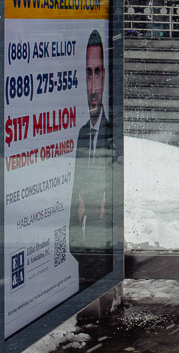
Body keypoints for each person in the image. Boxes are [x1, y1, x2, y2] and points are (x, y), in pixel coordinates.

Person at [70, 30, 114, 288]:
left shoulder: (111, 133)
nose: (94, 87)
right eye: (88, 73)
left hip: (102, 245)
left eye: (98, 72)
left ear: (105, 76)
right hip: (83, 249)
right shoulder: (82, 134)